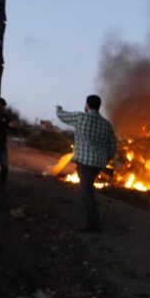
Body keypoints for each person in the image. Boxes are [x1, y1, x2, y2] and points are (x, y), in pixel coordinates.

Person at [56, 94, 117, 232]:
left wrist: (58, 108)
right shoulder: (107, 124)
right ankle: (91, 217)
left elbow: (62, 116)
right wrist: (106, 158)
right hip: (99, 163)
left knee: (86, 191)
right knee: (88, 187)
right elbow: (113, 146)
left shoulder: (81, 117)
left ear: (87, 105)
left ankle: (92, 223)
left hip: (84, 162)